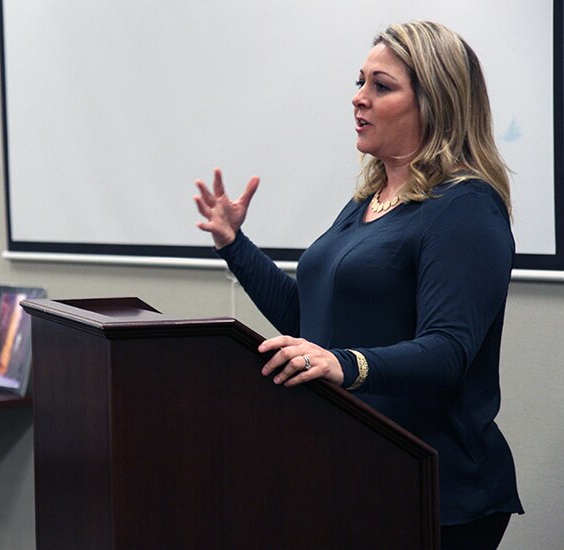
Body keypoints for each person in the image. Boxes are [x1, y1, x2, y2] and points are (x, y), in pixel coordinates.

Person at [193, 21, 523, 550]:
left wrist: (345, 364)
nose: (358, 98)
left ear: (434, 102)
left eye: (381, 86)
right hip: (357, 468)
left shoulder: (465, 208)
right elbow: (309, 322)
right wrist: (235, 244)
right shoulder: (367, 202)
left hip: (436, 486)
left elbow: (449, 351)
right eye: (359, 81)